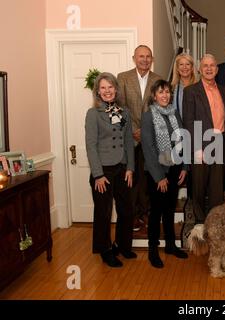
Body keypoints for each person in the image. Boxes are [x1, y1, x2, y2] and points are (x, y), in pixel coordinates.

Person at [85, 72, 136, 268]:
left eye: (110, 87)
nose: (107, 91)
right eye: (103, 88)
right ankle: (105, 250)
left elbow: (129, 142)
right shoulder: (93, 114)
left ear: (116, 89)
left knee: (126, 210)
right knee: (104, 213)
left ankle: (122, 246)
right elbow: (90, 145)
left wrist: (130, 167)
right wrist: (97, 175)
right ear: (98, 91)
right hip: (103, 172)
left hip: (122, 168)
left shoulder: (124, 112)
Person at [141, 79, 188, 268]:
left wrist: (185, 167)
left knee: (169, 209)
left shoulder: (175, 113)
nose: (165, 95)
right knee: (156, 212)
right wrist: (159, 176)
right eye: (161, 92)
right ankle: (153, 249)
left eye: (167, 92)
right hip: (157, 172)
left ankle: (170, 245)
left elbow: (183, 140)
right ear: (154, 95)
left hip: (175, 168)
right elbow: (148, 147)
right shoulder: (148, 116)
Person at [117, 45, 162, 232]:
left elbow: (160, 107)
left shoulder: (158, 79)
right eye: (141, 56)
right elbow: (120, 107)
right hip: (130, 137)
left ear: (152, 59)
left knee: (148, 178)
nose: (145, 59)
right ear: (134, 58)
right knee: (132, 179)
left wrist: (146, 131)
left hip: (150, 138)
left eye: (148, 56)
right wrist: (134, 130)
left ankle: (146, 212)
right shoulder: (123, 78)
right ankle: (133, 215)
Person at [182, 54, 225, 223]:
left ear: (217, 69)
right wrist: (196, 148)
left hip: (220, 143)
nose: (209, 69)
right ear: (200, 70)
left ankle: (215, 223)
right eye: (205, 66)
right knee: (199, 188)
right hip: (200, 145)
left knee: (217, 188)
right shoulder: (191, 91)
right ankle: (200, 223)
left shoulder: (223, 90)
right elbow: (188, 121)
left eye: (212, 66)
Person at [171, 53, 196, 118]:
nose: (184, 67)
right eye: (181, 64)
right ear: (177, 68)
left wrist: (197, 128)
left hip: (196, 126)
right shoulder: (172, 89)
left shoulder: (199, 87)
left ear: (192, 67)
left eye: (187, 64)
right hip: (178, 126)